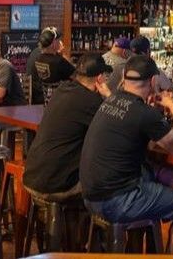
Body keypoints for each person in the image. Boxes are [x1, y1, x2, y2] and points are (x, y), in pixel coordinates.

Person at [79, 55, 173, 254]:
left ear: (124, 78)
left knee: (152, 169)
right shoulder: (144, 113)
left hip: (89, 196)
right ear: (153, 81)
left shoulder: (111, 100)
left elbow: (142, 135)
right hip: (115, 201)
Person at [24, 54, 112, 203]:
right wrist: (109, 95)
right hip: (57, 186)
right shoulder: (91, 101)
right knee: (112, 183)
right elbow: (117, 126)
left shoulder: (61, 90)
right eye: (105, 76)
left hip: (31, 177)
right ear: (99, 79)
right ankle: (89, 226)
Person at [108, 36, 172, 94]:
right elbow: (169, 89)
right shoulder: (154, 70)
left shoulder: (121, 68)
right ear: (147, 51)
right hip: (144, 105)